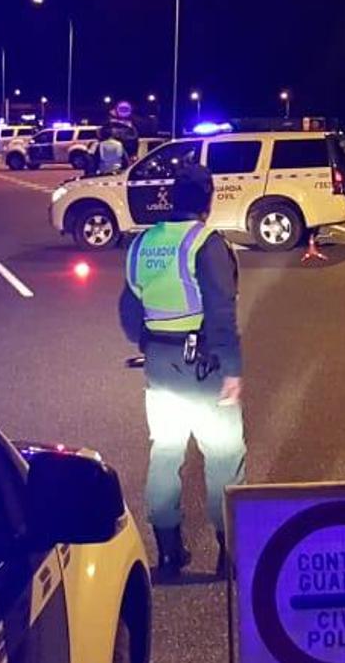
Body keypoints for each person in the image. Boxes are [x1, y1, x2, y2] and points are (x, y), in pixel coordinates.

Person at [118, 164, 245, 579]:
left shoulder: (143, 244)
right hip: (205, 367)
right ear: (207, 201)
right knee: (224, 456)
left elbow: (129, 311)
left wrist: (152, 346)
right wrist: (232, 370)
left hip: (160, 365)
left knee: (166, 452)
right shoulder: (205, 244)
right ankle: (230, 558)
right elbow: (222, 314)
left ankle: (169, 554)